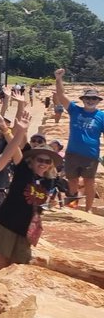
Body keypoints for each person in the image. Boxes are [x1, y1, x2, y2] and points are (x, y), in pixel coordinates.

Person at [0, 119, 57, 270]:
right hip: (8, 222)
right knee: (3, 261)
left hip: (26, 227)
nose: (43, 163)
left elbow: (40, 203)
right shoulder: (23, 170)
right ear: (32, 160)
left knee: (19, 264)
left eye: (47, 161)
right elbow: (14, 148)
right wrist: (7, 130)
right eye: (40, 160)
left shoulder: (49, 181)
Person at [53, 69, 104, 212]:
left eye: (93, 99)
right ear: (83, 99)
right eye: (88, 98)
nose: (90, 101)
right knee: (72, 181)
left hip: (90, 155)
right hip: (72, 153)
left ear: (98, 101)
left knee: (89, 182)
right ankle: (72, 208)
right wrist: (58, 79)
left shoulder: (101, 116)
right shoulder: (75, 110)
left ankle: (88, 210)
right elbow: (61, 96)